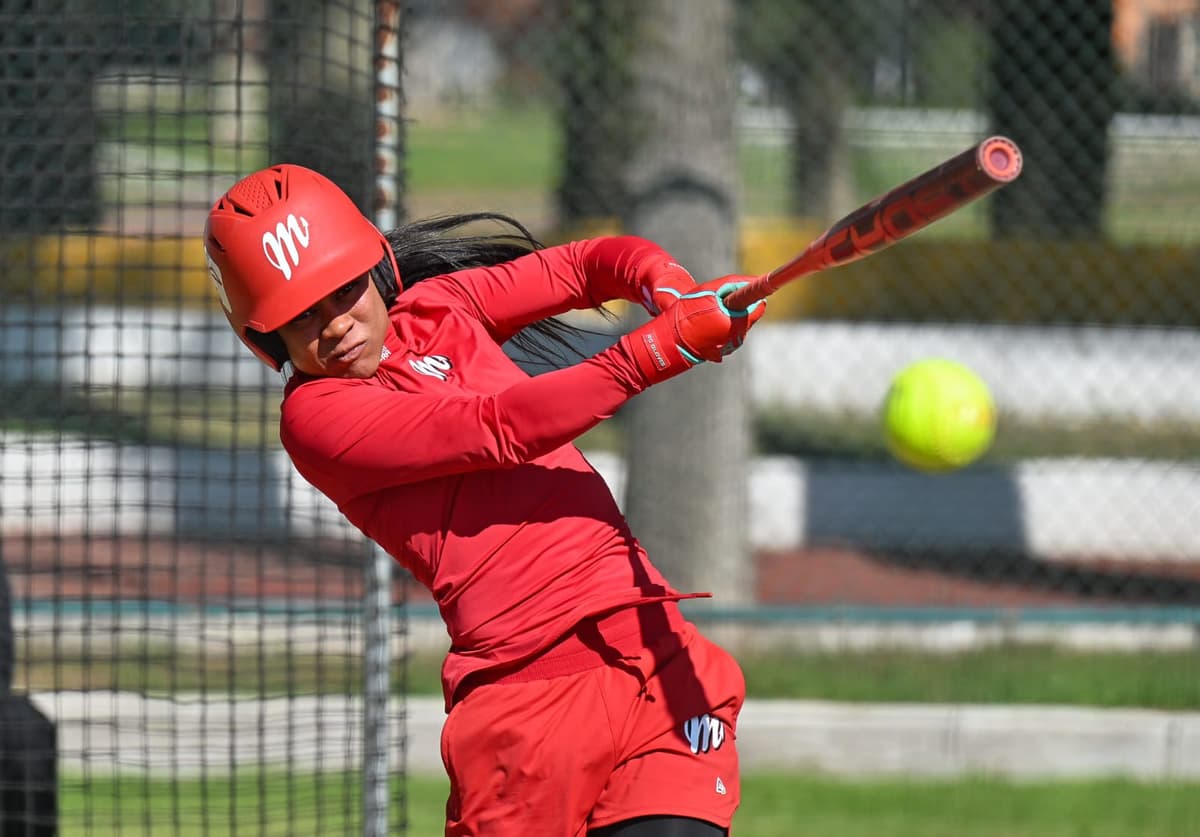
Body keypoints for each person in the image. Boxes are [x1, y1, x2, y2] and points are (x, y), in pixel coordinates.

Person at [203, 164, 766, 837]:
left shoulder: (439, 307)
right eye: (302, 318)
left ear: (375, 270)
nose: (336, 325)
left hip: (653, 654)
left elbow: (588, 265)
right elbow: (502, 428)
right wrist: (657, 348)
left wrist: (665, 283)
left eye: (344, 290)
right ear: (268, 340)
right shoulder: (315, 420)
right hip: (529, 711)